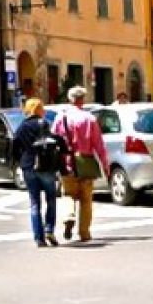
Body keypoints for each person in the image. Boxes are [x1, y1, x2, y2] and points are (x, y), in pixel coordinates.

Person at [54, 85, 109, 242]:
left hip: (67, 162)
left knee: (68, 194)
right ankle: (84, 232)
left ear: (70, 99)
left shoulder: (61, 118)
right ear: (82, 100)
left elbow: (54, 139)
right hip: (86, 162)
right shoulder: (89, 119)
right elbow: (99, 144)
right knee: (86, 200)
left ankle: (69, 216)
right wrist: (105, 165)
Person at [10, 98, 64, 248]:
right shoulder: (44, 123)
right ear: (40, 109)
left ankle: (39, 238)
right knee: (51, 199)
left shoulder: (22, 127)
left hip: (28, 166)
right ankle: (49, 229)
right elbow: (54, 140)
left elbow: (15, 146)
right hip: (45, 166)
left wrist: (19, 162)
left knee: (34, 203)